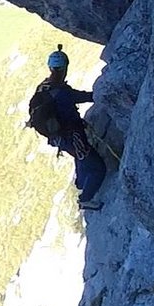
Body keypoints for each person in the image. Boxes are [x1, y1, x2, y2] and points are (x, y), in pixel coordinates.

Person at [29, 45, 107, 210]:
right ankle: (85, 199)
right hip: (71, 136)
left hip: (58, 137)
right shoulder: (62, 92)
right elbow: (85, 97)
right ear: (65, 68)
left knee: (79, 155)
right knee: (98, 168)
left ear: (50, 68)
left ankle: (81, 182)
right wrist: (105, 92)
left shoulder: (43, 87)